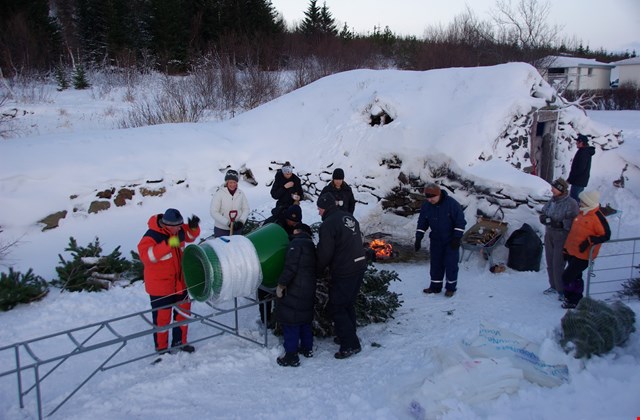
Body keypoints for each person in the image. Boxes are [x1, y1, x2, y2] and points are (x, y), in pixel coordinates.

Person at [137, 208, 201, 355]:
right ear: (167, 225)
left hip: (180, 283)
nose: (180, 228)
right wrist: (170, 243)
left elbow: (191, 236)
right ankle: (162, 348)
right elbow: (148, 256)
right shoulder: (151, 236)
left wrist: (193, 227)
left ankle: (180, 342)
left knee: (183, 314)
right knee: (162, 319)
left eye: (181, 224)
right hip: (161, 287)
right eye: (177, 226)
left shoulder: (178, 230)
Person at [316, 192, 367, 359]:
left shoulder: (328, 225)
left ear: (325, 208)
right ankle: (347, 335)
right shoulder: (349, 217)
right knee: (348, 304)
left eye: (320, 209)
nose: (318, 213)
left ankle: (350, 345)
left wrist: (316, 269)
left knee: (337, 306)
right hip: (359, 265)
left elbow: (325, 253)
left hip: (345, 269)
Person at [275, 223, 317, 367]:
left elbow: (290, 267)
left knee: (291, 321)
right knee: (305, 320)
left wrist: (281, 284)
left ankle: (291, 356)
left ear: (298, 231)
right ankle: (307, 349)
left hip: (295, 289)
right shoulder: (311, 246)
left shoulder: (295, 244)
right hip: (309, 288)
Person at [414, 183, 466, 297]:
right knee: (436, 264)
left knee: (451, 264)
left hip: (451, 239)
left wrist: (457, 237)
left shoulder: (452, 204)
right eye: (427, 197)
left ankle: (450, 288)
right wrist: (418, 237)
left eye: (432, 197)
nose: (429, 199)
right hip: (436, 239)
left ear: (438, 194)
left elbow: (460, 222)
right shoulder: (427, 205)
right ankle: (435, 287)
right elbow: (422, 222)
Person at [561, 190, 610, 309]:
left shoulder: (597, 216)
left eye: (582, 201)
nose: (580, 202)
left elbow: (606, 235)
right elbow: (574, 233)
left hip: (584, 254)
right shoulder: (582, 213)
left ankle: (572, 298)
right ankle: (574, 299)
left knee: (567, 276)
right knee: (576, 276)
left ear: (588, 202)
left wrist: (589, 241)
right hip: (573, 251)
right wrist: (566, 249)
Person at [258, 204, 304, 329]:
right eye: (291, 221)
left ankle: (278, 318)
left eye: (296, 222)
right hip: (266, 259)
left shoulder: (297, 225)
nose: (293, 223)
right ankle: (265, 319)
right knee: (264, 290)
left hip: (283, 260)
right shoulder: (273, 222)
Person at [539, 178, 579, 300]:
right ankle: (553, 286)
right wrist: (543, 218)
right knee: (550, 261)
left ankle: (562, 290)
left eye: (554, 188)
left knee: (558, 263)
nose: (552, 189)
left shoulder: (571, 203)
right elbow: (544, 211)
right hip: (549, 233)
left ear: (561, 189)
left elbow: (574, 220)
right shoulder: (552, 200)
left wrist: (561, 224)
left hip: (562, 236)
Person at [210, 169, 250, 237]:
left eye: (234, 182)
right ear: (227, 182)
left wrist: (241, 222)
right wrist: (227, 223)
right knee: (222, 247)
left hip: (237, 229)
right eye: (230, 182)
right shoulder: (219, 193)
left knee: (235, 247)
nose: (232, 185)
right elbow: (213, 212)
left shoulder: (240, 193)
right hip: (221, 229)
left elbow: (246, 209)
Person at [567, 134, 595, 203]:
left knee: (574, 200)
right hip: (581, 180)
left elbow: (579, 169)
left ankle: (574, 213)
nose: (576, 143)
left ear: (581, 142)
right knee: (577, 198)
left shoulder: (584, 153)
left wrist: (570, 179)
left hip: (578, 181)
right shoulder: (584, 151)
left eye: (577, 142)